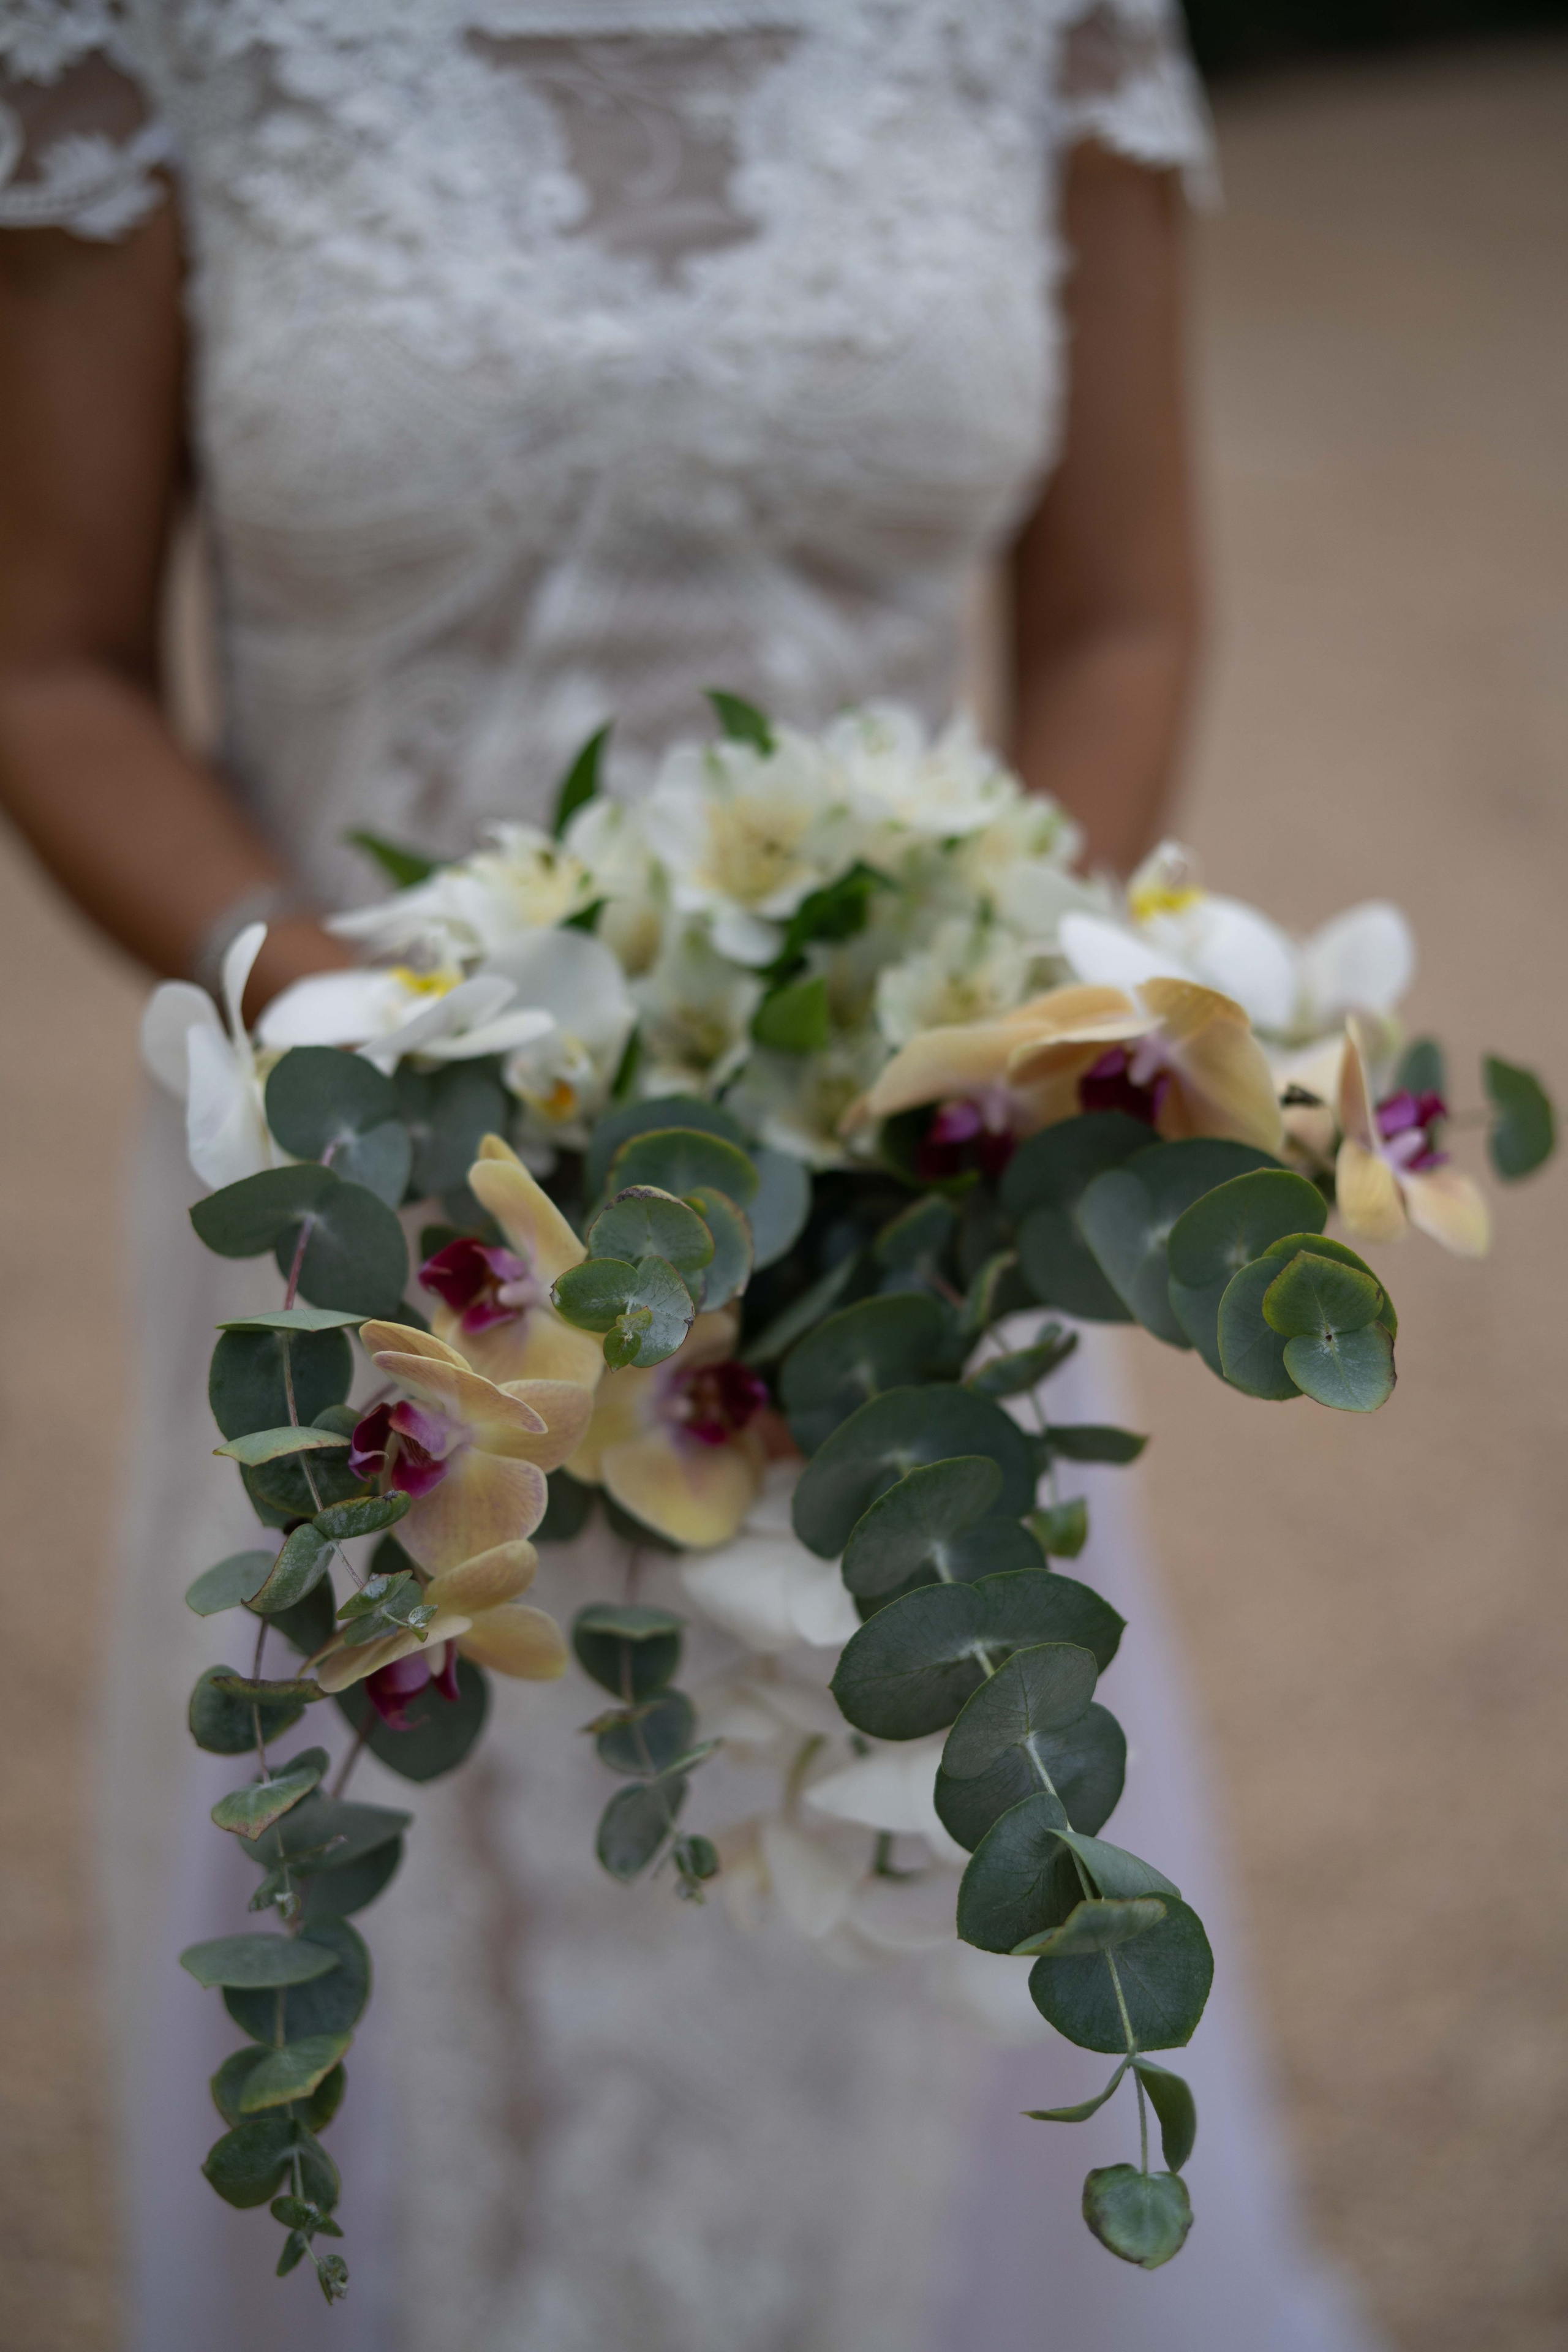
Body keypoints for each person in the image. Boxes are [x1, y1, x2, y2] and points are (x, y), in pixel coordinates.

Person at [0, 6, 1384, 2348]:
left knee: (928, 1854)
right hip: (390, 1238)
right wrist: (388, 1060)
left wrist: (971, 1055)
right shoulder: (141, 32)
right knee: (384, 1904)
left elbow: (1121, 614)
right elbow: (48, 665)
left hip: (906, 1218)